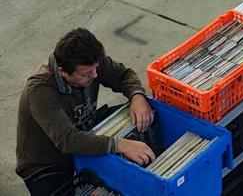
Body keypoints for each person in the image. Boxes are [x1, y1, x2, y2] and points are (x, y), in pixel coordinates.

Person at [14, 27, 156, 196]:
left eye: (96, 68)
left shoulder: (90, 62)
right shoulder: (40, 91)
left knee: (147, 116)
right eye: (86, 74)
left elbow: (123, 75)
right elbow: (68, 140)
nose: (95, 75)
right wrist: (121, 145)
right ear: (63, 72)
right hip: (48, 163)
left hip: (86, 131)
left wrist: (137, 95)